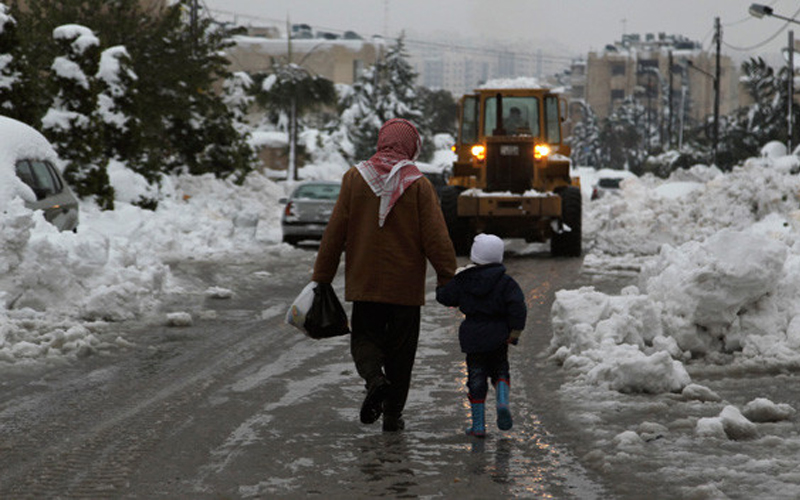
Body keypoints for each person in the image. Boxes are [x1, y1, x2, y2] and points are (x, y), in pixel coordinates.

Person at [312, 118, 457, 432]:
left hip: (364, 284)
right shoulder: (418, 184)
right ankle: (392, 416)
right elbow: (436, 236)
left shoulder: (354, 178)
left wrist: (322, 276)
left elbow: (334, 232)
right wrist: (448, 276)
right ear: (410, 147)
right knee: (401, 354)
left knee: (364, 340)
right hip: (405, 289)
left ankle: (374, 379)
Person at [436, 234, 527, 438]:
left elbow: (445, 297)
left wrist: (442, 285)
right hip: (499, 336)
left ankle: (478, 426)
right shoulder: (506, 282)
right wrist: (515, 332)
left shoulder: (463, 279)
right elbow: (518, 307)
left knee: (476, 378)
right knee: (500, 370)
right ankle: (502, 400)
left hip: (473, 337)